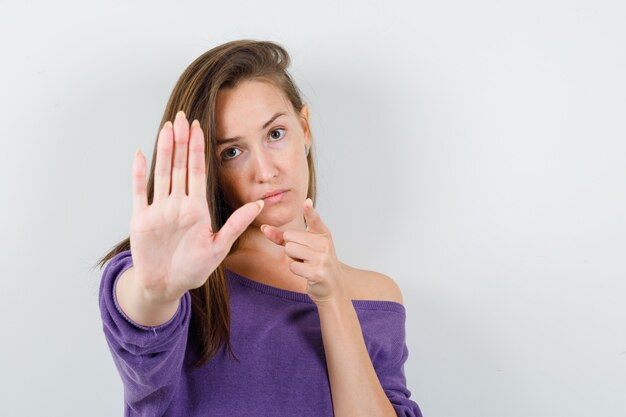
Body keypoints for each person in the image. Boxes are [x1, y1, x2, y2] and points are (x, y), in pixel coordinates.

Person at [96, 39, 423, 417]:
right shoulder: (185, 282)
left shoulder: (376, 297)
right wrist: (157, 292)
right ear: (212, 170)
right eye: (231, 153)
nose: (266, 172)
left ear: (305, 129)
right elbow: (139, 319)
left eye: (275, 134)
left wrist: (333, 298)